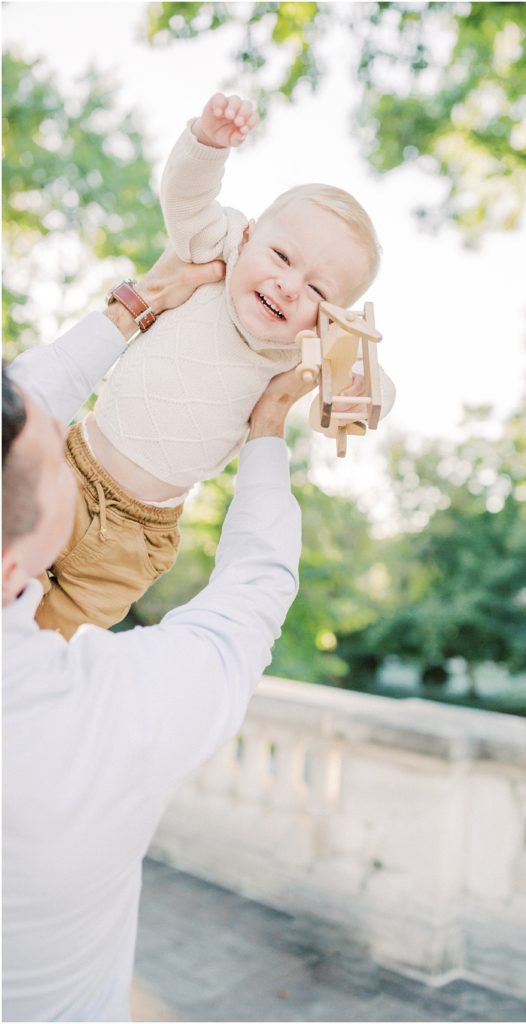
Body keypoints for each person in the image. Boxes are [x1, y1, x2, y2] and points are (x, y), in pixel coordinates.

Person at [2, 249, 314, 1022]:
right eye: (61, 469)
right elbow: (254, 591)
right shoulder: (93, 721)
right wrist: (268, 430)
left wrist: (132, 305)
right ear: (18, 557)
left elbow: (28, 401)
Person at [36, 91, 395, 639]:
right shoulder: (219, 253)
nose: (289, 285)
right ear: (247, 235)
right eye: (281, 256)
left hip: (136, 536)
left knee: (50, 647)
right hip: (68, 468)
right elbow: (184, 199)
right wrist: (208, 144)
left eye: (318, 290)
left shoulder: (297, 350)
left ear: (331, 317)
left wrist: (359, 388)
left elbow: (368, 380)